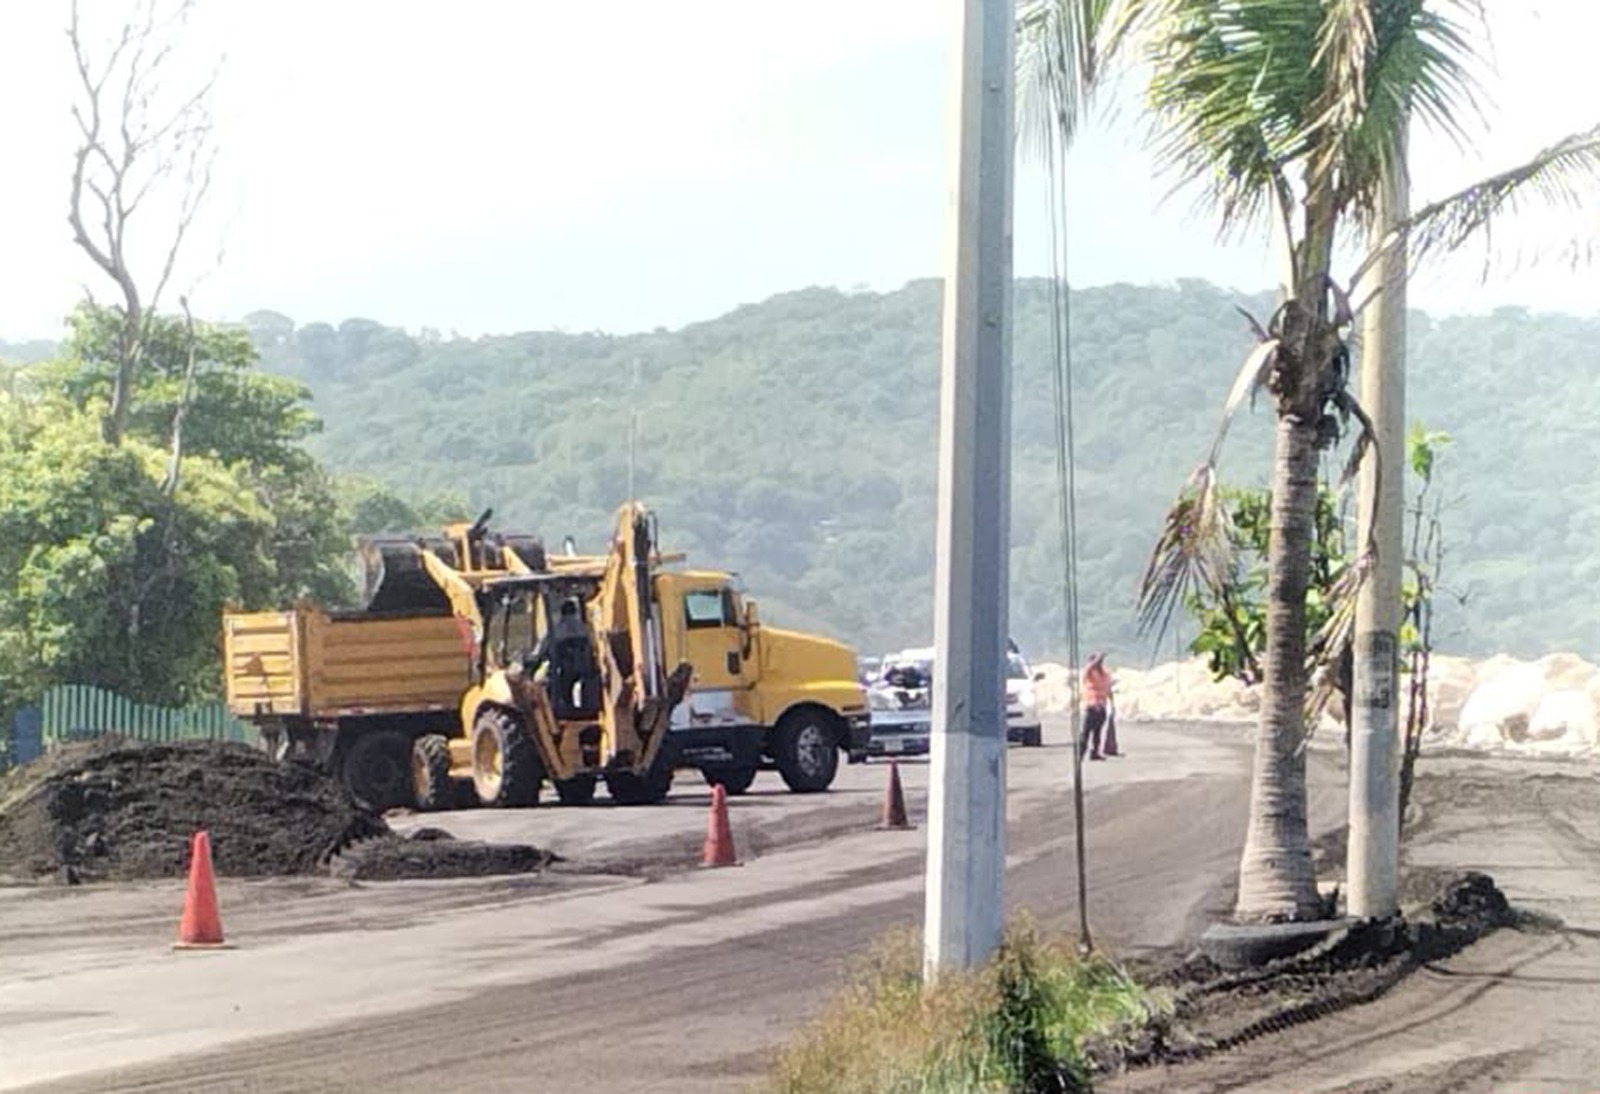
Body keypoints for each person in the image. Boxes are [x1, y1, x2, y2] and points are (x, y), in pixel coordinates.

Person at [1080, 652, 1113, 761]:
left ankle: (1095, 753)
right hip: (1091, 706)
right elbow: (1088, 669)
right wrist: (1097, 659)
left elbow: (1109, 688)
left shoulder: (1105, 674)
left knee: (1097, 733)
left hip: (1101, 706)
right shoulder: (1089, 673)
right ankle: (1081, 752)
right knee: (1086, 732)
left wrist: (1111, 703)